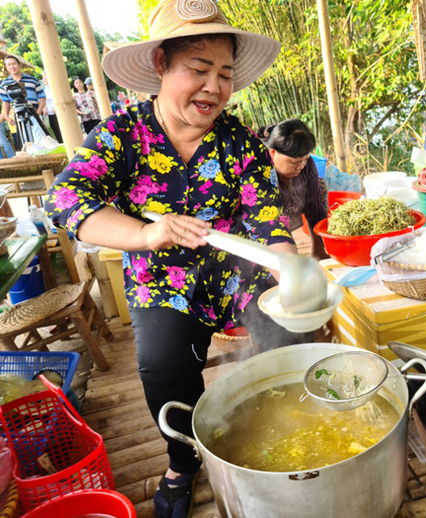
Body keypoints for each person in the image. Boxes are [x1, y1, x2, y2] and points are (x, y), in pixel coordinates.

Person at [44, 0, 297, 517]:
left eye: (225, 74)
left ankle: (276, 438)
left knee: (288, 330)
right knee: (163, 368)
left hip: (233, 276)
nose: (214, 88)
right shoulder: (122, 135)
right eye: (198, 69)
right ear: (161, 64)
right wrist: (146, 232)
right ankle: (182, 463)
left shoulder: (240, 142)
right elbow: (66, 202)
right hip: (160, 281)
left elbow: (268, 221)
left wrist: (291, 270)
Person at [258, 119, 328, 259]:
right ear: (273, 153)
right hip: (264, 230)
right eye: (293, 162)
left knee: (319, 187)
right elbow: (264, 224)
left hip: (290, 210)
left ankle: (317, 252)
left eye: (305, 160)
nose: (300, 166)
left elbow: (316, 209)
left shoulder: (306, 165)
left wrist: (323, 244)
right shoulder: (259, 171)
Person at [0, 55, 47, 144]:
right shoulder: (4, 84)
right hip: (18, 117)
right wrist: (6, 116)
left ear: (19, 65)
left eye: (14, 64)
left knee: (40, 142)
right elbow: (5, 102)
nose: (12, 67)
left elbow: (42, 97)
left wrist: (38, 112)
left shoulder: (32, 80)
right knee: (26, 143)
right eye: (9, 65)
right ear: (6, 67)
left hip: (35, 115)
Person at [41, 73, 63, 143]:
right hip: (51, 114)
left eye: (44, 77)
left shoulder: (56, 88)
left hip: (59, 113)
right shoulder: (45, 89)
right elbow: (44, 100)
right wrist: (44, 108)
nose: (43, 79)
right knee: (57, 132)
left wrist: (57, 107)